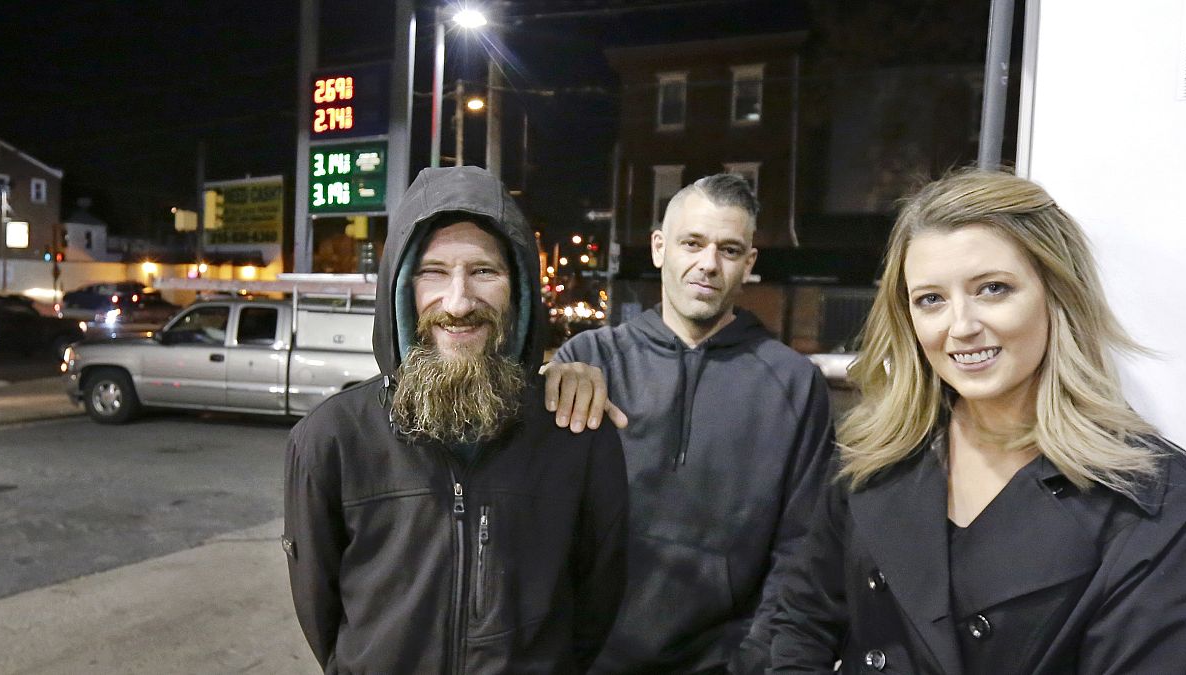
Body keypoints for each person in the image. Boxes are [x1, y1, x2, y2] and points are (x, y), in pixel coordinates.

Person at [768, 169, 1186, 673]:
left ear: (1058, 296)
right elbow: (799, 624)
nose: (961, 326)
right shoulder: (874, 454)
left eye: (992, 289)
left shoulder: (1152, 497)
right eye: (931, 300)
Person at [283, 166, 629, 673]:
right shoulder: (331, 438)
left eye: (484, 272)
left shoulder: (575, 432)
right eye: (433, 272)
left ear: (521, 290)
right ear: (400, 286)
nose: (458, 302)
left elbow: (595, 602)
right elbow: (321, 609)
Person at [549, 173, 835, 673]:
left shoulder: (793, 384)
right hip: (587, 662)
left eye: (728, 250)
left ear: (748, 265)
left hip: (722, 664)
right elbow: (540, 525)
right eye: (692, 243)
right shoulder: (589, 361)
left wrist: (754, 662)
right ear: (660, 248)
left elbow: (801, 552)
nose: (708, 264)